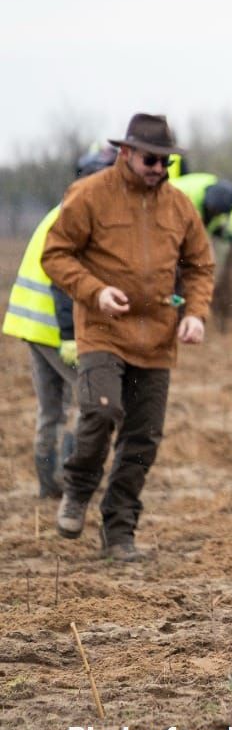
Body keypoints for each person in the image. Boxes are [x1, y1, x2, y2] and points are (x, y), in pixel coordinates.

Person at [42, 115, 215, 561]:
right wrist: (94, 291)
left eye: (166, 162)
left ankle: (119, 531)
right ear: (125, 153)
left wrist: (194, 313)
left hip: (158, 338)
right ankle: (78, 488)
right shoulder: (90, 195)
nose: (159, 168)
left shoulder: (178, 206)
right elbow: (55, 254)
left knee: (143, 438)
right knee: (101, 412)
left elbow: (199, 266)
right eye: (151, 160)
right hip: (102, 330)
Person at [4, 146, 117, 498]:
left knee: (52, 408)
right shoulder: (80, 216)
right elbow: (63, 282)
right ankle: (72, 478)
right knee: (94, 404)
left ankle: (48, 483)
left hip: (30, 325)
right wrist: (70, 335)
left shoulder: (62, 209)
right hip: (55, 329)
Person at [170, 170, 232, 241]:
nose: (215, 214)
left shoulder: (216, 192)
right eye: (214, 210)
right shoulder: (189, 197)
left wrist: (221, 232)